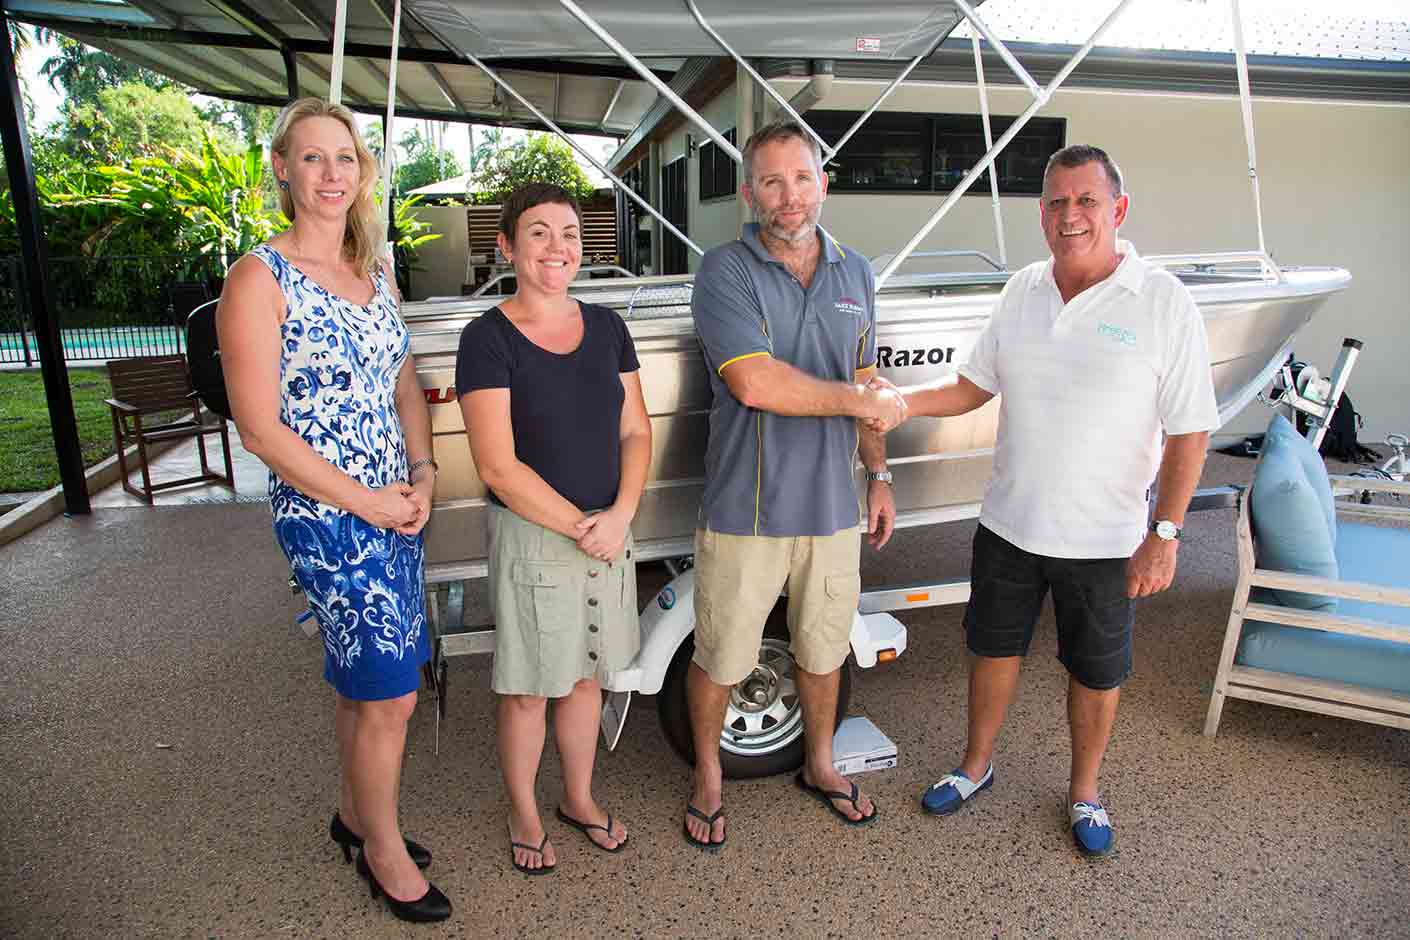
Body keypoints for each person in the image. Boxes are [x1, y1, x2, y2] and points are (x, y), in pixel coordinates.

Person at [903, 144, 1219, 858]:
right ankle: (975, 766)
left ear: (1118, 210)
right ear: (1040, 213)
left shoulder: (1163, 302)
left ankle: (1084, 791)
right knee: (990, 649)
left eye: (1085, 201)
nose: (1069, 216)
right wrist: (900, 403)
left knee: (1096, 670)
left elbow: (1191, 431)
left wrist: (1164, 533)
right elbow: (972, 386)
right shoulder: (1021, 290)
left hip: (1106, 541)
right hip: (1010, 525)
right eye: (1055, 202)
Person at [218, 98, 450, 922]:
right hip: (326, 517)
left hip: (395, 504)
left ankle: (355, 819)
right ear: (282, 168)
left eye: (344, 158)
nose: (330, 174)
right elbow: (258, 428)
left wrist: (421, 476)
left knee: (366, 685)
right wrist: (367, 502)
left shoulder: (374, 272)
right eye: (312, 158)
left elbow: (400, 381)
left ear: (362, 172)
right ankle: (381, 852)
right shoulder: (256, 278)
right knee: (391, 692)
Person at [684, 120, 908, 849]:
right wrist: (858, 402)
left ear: (823, 183)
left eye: (802, 178)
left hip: (835, 508)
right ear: (750, 192)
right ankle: (709, 776)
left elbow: (865, 377)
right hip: (745, 508)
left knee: (822, 649)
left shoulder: (857, 273)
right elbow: (754, 382)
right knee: (722, 655)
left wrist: (878, 472)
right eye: (772, 182)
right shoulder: (725, 269)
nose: (789, 197)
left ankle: (819, 762)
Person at [455, 183, 652, 875]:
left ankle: (578, 798)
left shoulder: (607, 327)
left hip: (607, 530)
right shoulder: (487, 339)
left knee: (586, 679)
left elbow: (635, 427)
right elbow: (498, 466)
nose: (556, 247)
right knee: (529, 688)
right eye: (537, 233)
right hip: (538, 539)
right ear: (507, 246)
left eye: (568, 232)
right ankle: (526, 812)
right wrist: (580, 526)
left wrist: (622, 514)